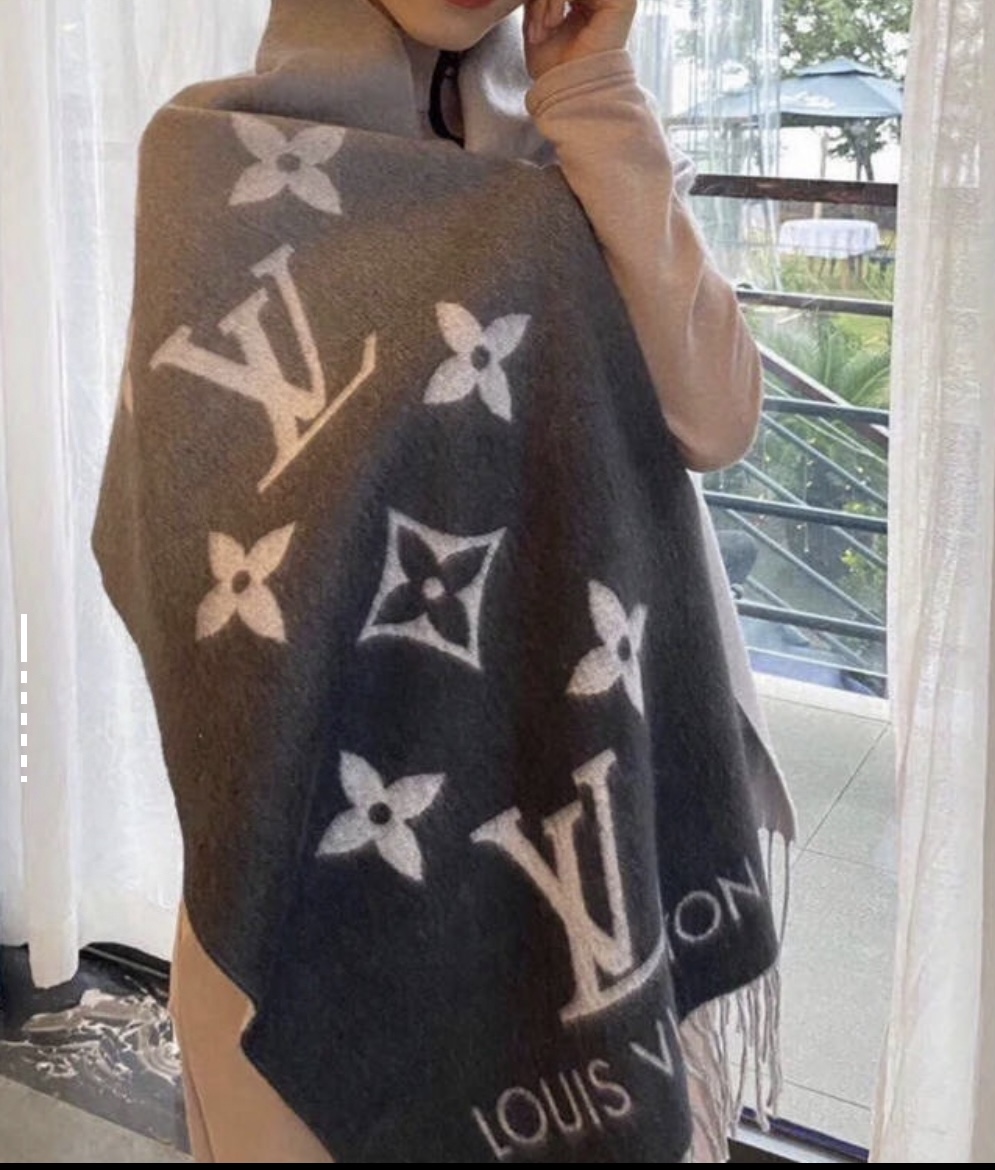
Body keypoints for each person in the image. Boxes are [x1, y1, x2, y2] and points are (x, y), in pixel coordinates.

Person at [93, 0, 794, 1162]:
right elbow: (181, 541)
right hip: (304, 897)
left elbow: (716, 417)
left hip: (566, 834)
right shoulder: (211, 159)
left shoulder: (577, 151)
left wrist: (594, 92)